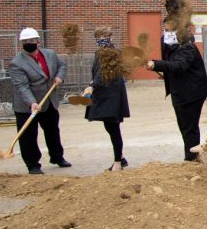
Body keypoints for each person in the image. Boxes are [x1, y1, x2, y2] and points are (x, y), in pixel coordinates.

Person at [8, 27, 70, 174]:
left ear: (38, 41)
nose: (29, 43)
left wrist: (59, 77)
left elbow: (62, 66)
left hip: (49, 101)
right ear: (21, 43)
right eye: (25, 41)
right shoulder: (16, 63)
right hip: (28, 106)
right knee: (28, 135)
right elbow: (22, 86)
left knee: (52, 131)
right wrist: (32, 102)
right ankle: (33, 164)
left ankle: (57, 157)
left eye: (31, 41)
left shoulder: (50, 54)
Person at [147, 20, 207, 161]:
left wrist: (156, 64)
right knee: (184, 127)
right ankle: (193, 156)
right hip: (180, 92)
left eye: (169, 30)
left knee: (189, 128)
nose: (165, 33)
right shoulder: (173, 46)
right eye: (164, 30)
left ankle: (192, 159)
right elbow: (170, 62)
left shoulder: (187, 47)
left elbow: (179, 65)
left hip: (191, 93)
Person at [83, 27, 130, 171]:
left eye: (104, 35)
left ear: (110, 36)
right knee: (110, 127)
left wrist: (92, 85)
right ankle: (120, 157)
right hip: (104, 94)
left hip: (112, 95)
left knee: (113, 128)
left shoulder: (112, 53)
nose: (101, 39)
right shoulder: (100, 52)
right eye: (98, 36)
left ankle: (117, 162)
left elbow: (103, 73)